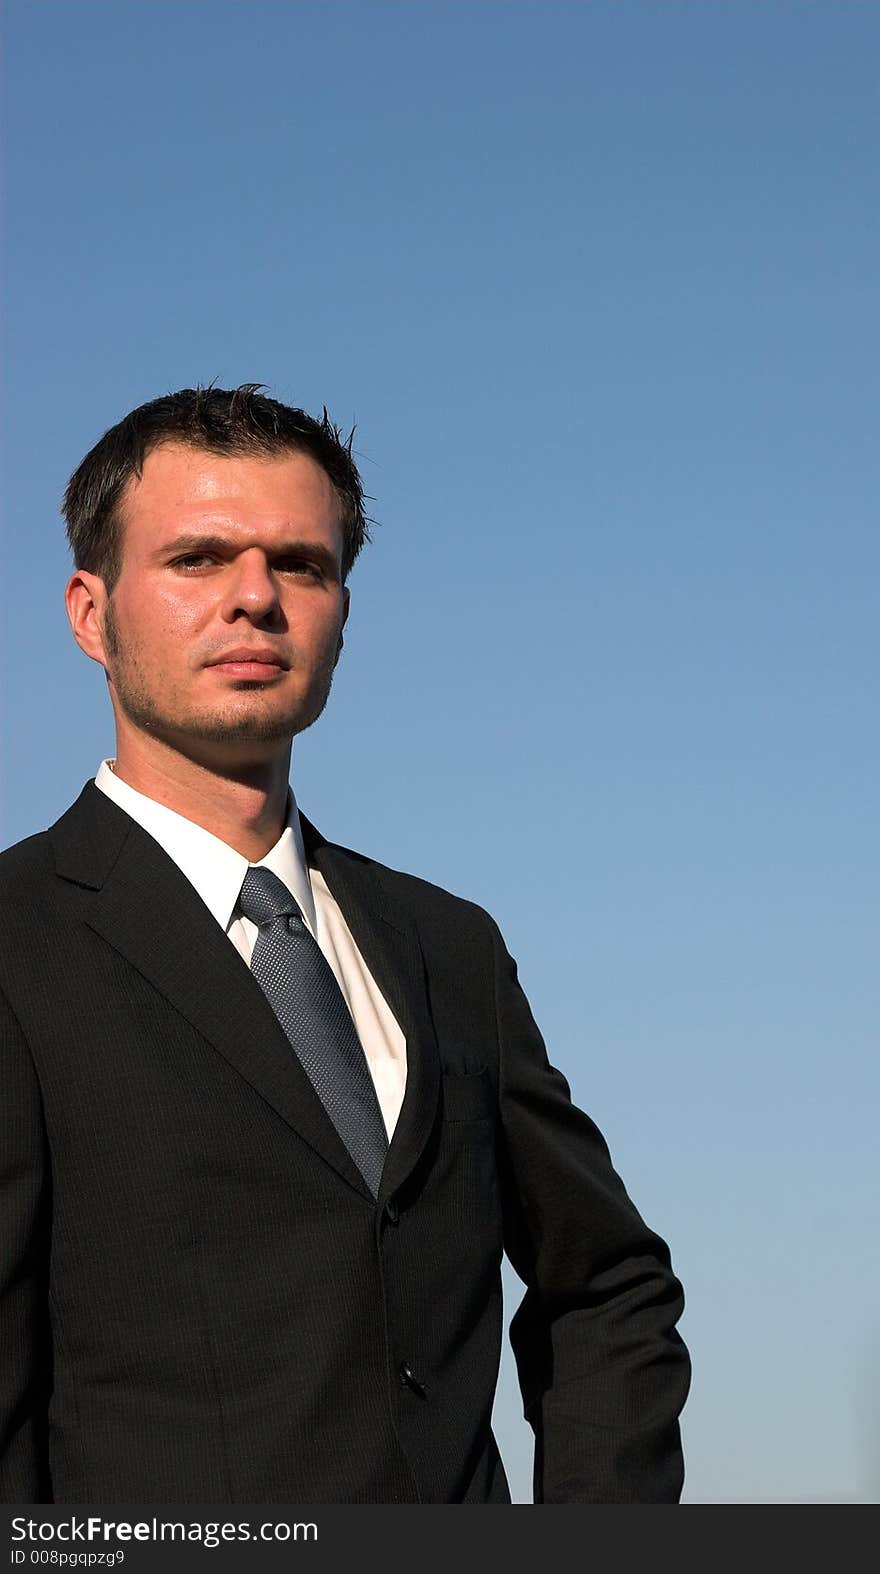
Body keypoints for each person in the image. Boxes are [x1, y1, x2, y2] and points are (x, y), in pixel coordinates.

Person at [0, 384, 690, 1505]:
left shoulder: (447, 945)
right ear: (91, 613)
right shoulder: (18, 941)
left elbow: (606, 1280)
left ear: (342, 613)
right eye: (199, 558)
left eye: (302, 565)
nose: (256, 598)